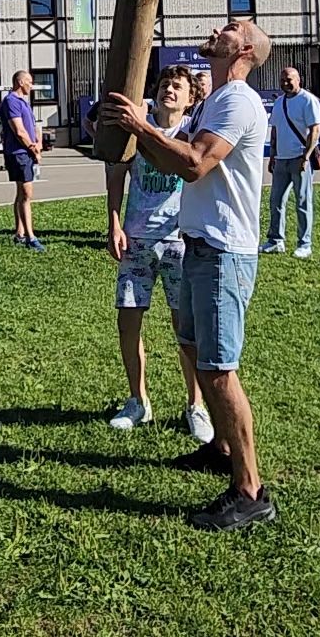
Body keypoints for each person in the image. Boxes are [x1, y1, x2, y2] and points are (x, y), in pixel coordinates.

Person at [102, 19, 276, 532]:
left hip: (224, 252)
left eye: (232, 28)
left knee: (219, 369)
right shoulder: (215, 100)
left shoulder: (237, 100)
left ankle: (250, 491)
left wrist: (141, 127)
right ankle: (221, 448)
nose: (219, 28)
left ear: (244, 50)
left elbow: (196, 163)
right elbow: (172, 163)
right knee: (197, 351)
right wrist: (135, 132)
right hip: (200, 247)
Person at [103, 65, 211, 444]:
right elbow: (116, 175)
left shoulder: (193, 135)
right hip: (137, 240)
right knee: (128, 321)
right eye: (165, 84)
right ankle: (138, 401)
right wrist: (114, 223)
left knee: (186, 328)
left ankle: (196, 405)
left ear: (190, 98)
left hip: (179, 241)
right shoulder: (137, 128)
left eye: (178, 86)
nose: (170, 90)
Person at [263, 66, 320, 260]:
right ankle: (275, 240)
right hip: (281, 159)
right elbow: (275, 130)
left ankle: (305, 244)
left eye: (289, 79)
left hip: (299, 159)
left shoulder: (308, 100)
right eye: (282, 80)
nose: (285, 83)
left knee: (302, 202)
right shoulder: (279, 102)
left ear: (298, 80)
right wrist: (273, 155)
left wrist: (306, 156)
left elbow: (315, 129)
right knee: (276, 201)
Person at [0, 70, 44, 251]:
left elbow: (33, 127)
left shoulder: (24, 102)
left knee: (22, 193)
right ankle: (30, 237)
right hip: (18, 153)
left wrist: (39, 142)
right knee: (26, 194)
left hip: (27, 152)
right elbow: (19, 130)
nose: (31, 86)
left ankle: (20, 233)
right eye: (29, 82)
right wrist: (33, 149)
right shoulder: (11, 101)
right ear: (20, 82)